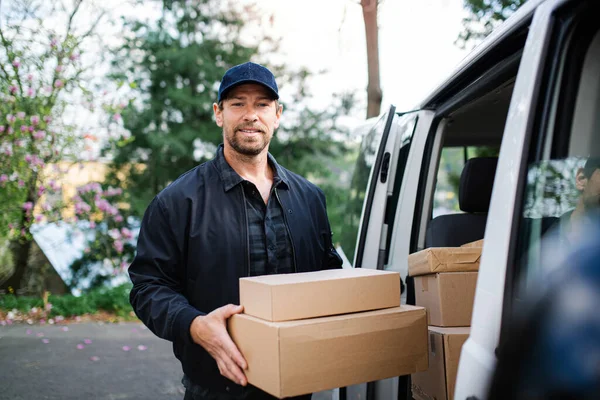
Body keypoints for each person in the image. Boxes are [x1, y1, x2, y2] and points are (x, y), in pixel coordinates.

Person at [128, 62, 343, 400]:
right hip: (216, 390)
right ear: (219, 113)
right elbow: (148, 288)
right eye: (237, 103)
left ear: (277, 114)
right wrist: (195, 326)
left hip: (299, 386)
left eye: (261, 104)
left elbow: (328, 276)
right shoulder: (176, 202)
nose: (250, 115)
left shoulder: (311, 199)